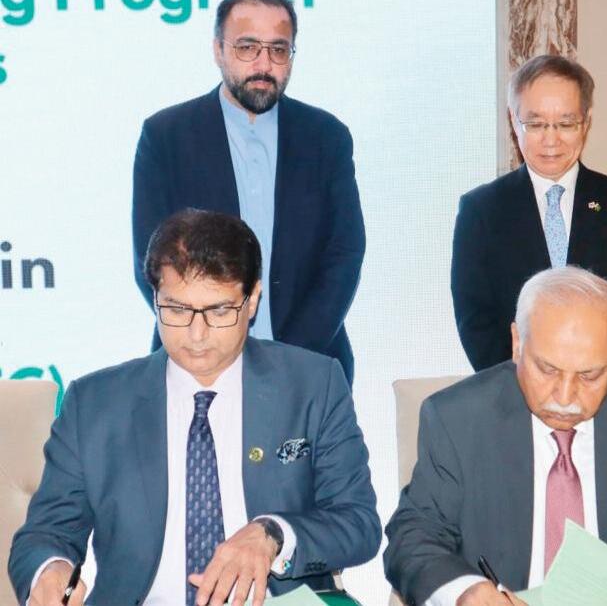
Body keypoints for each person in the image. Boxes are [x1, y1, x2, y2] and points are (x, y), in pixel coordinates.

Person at [10, 209, 380, 606]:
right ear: (155, 299)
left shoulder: (313, 384)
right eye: (177, 310)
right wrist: (50, 570)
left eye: (219, 311)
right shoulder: (95, 403)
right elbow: (45, 534)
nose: (196, 334)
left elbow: (358, 524)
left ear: (252, 299)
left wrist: (274, 534)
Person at [385, 266, 607, 606]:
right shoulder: (458, 419)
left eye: (589, 375)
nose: (565, 397)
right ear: (517, 343)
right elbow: (411, 538)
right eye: (547, 369)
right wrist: (465, 592)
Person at [132, 0, 364, 384]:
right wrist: (208, 341)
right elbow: (151, 260)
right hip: (196, 364)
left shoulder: (326, 137)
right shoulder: (166, 136)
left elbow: (345, 253)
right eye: (247, 48)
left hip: (309, 367)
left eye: (278, 50)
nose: (263, 64)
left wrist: (291, 358)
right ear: (218, 50)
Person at [451, 55, 607, 372]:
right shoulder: (481, 212)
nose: (551, 139)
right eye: (535, 124)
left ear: (586, 122)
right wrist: (527, 385)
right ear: (513, 121)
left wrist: (597, 384)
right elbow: (475, 320)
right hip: (515, 391)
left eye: (566, 124)